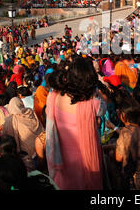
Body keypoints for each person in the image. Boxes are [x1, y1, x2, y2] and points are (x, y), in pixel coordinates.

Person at [45, 57, 104, 190]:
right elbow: (104, 107)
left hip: (61, 159)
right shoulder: (93, 103)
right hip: (85, 163)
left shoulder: (55, 95)